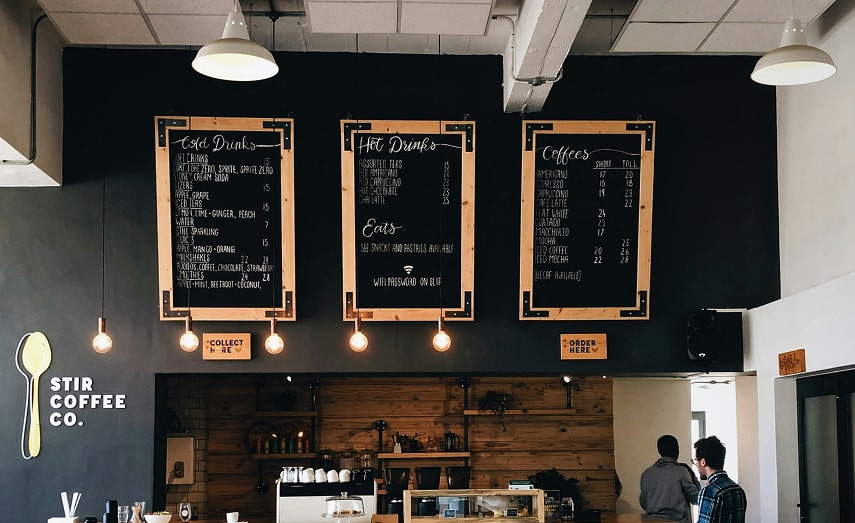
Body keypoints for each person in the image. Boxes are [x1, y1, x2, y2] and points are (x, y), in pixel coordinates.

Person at [639, 434, 700, 523]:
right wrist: (692, 475)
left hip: (652, 521)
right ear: (677, 450)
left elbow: (643, 503)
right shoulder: (681, 471)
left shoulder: (647, 473)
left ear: (659, 451)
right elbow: (696, 498)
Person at [694, 435, 747, 523]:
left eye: (695, 460)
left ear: (703, 462)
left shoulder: (709, 492)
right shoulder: (738, 489)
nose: (695, 465)